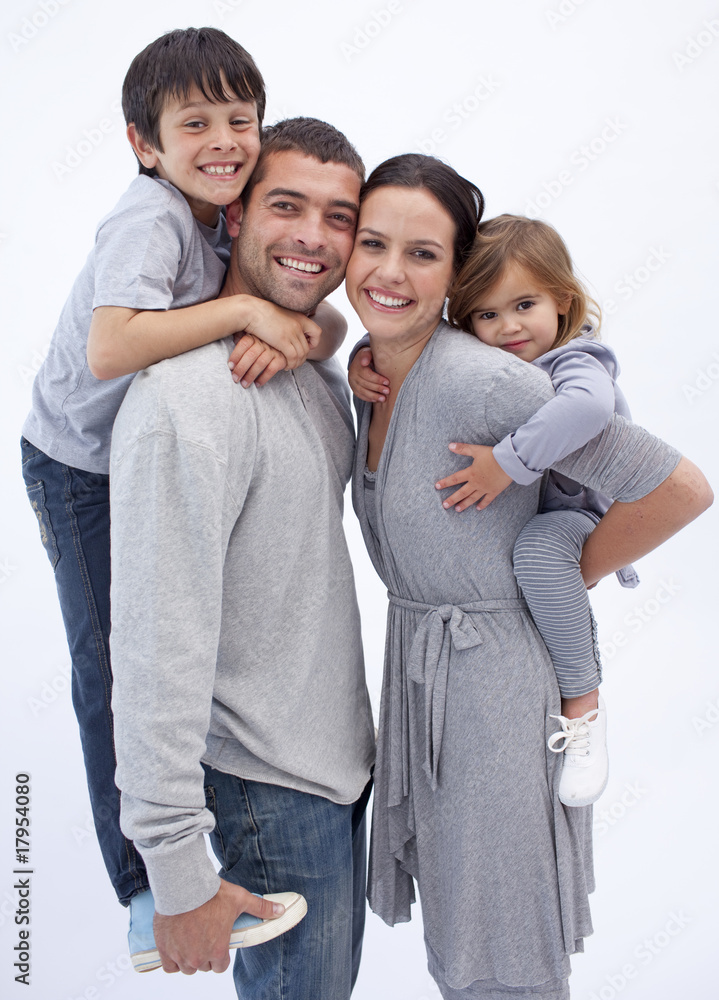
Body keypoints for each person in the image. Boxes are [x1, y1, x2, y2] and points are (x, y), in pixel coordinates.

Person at [343, 153, 712, 999]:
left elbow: (680, 490)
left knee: (502, 946)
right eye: (372, 243)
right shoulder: (378, 373)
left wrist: (552, 570)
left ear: (451, 271)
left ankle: (586, 705)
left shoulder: (489, 380)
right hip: (428, 675)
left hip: (496, 693)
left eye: (424, 253)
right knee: (465, 934)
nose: (391, 272)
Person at [20, 27, 342, 921]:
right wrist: (239, 308)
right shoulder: (148, 215)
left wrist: (309, 338)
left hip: (135, 450)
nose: (225, 142)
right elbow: (114, 345)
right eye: (194, 123)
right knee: (111, 661)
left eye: (241, 119)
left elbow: (314, 315)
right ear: (144, 144)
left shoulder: (221, 213)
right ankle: (141, 892)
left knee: (158, 638)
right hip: (74, 465)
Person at [109, 118, 375, 999]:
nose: (313, 236)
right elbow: (154, 640)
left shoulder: (305, 368)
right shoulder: (188, 396)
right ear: (234, 214)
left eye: (339, 218)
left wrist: (309, 334)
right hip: (264, 789)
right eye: (286, 205)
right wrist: (177, 870)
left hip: (333, 771)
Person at [351, 213, 630, 807]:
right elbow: (407, 338)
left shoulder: (575, 362)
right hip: (519, 542)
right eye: (487, 314)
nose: (508, 327)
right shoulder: (487, 369)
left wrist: (507, 463)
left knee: (536, 550)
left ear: (563, 300)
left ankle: (583, 704)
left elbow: (588, 411)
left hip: (578, 514)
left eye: (525, 305)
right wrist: (361, 356)